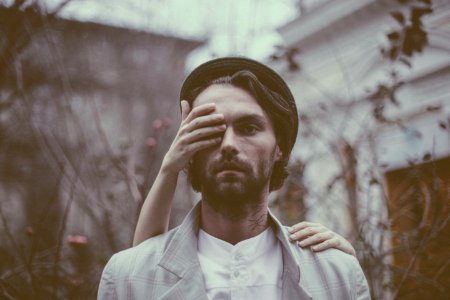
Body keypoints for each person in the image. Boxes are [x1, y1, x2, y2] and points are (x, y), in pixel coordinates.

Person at [98, 57, 370, 299]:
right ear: (188, 148)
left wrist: (339, 270)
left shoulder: (338, 275)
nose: (228, 144)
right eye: (210, 130)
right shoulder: (126, 276)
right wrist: (169, 167)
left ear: (279, 148)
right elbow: (142, 267)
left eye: (249, 127)